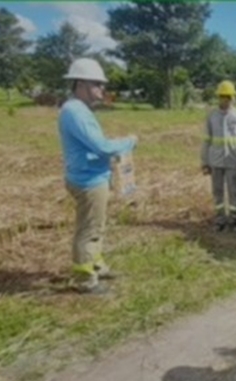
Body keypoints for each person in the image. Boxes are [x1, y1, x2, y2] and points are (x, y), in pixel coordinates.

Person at [57, 58, 137, 295]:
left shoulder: (78, 110)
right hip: (88, 180)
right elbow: (101, 146)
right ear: (80, 84)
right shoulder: (75, 112)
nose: (102, 89)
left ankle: (96, 264)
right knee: (89, 229)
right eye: (96, 84)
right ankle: (85, 279)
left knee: (96, 226)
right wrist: (129, 142)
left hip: (92, 176)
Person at [201, 80, 236, 231]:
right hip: (215, 160)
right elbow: (206, 140)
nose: (226, 99)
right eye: (223, 96)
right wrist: (204, 161)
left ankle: (235, 220)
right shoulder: (212, 116)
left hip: (233, 160)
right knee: (217, 192)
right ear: (219, 97)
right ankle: (220, 219)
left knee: (234, 190)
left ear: (233, 98)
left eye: (229, 96)